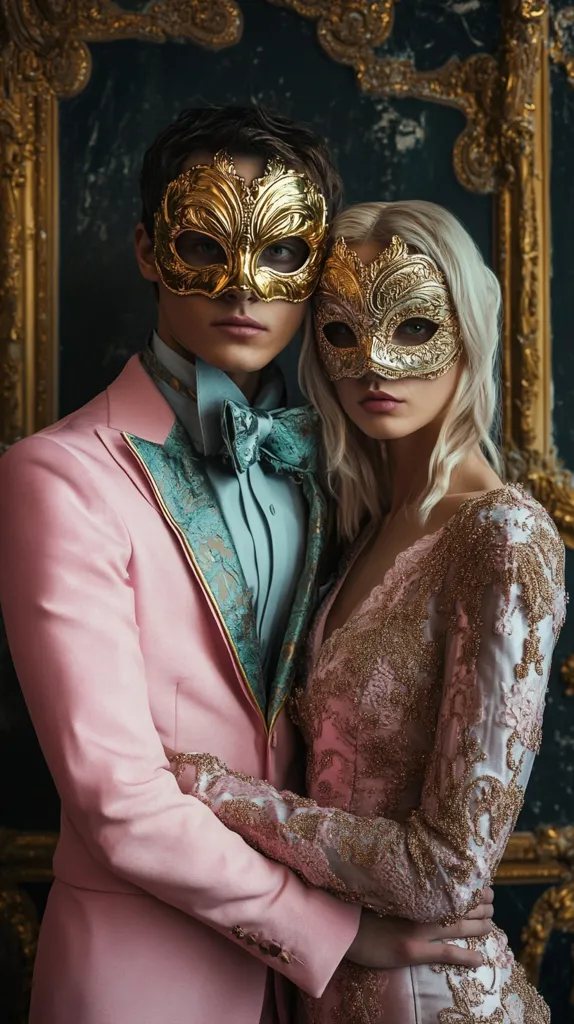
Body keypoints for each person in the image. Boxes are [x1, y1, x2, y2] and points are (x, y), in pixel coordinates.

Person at [0, 114, 493, 1024]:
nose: (241, 288)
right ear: (149, 248)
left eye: (280, 255)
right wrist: (330, 930)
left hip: (321, 998)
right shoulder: (59, 478)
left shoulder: (340, 467)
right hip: (143, 975)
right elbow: (116, 797)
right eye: (200, 244)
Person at [165, 200, 566, 1023]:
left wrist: (212, 791)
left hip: (434, 994)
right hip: (328, 978)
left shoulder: (503, 537)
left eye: (414, 327)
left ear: (470, 329)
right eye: (344, 333)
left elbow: (445, 871)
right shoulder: (366, 521)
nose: (376, 365)